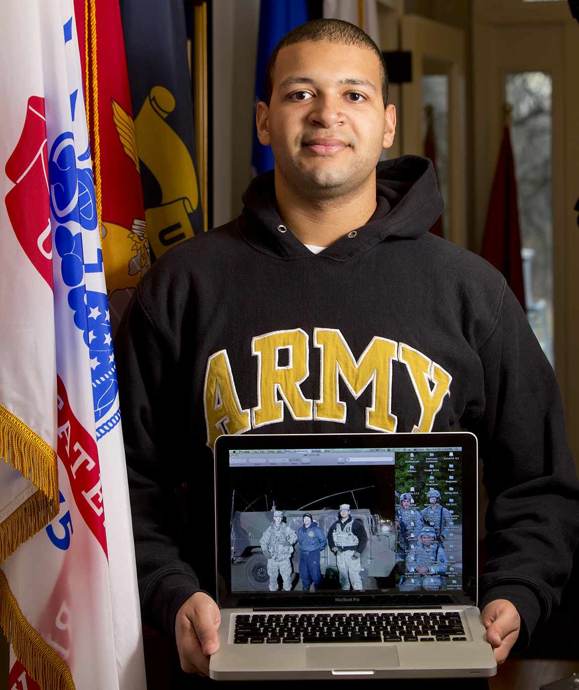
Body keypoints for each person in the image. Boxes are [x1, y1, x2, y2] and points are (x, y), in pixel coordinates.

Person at [114, 18, 579, 680]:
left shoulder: (471, 291)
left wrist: (515, 592)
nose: (326, 113)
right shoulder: (185, 284)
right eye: (300, 93)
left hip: (423, 641)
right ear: (263, 120)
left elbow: (539, 484)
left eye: (353, 95)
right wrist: (170, 591)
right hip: (233, 637)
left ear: (388, 124)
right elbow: (128, 480)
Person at [327, 504, 368, 591]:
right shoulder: (336, 524)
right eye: (342, 511)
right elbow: (330, 536)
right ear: (340, 512)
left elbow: (364, 538)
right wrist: (333, 548)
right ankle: (345, 595)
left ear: (349, 512)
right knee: (343, 576)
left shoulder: (356, 524)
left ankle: (358, 594)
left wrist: (358, 552)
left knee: (354, 576)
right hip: (340, 554)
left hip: (352, 554)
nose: (343, 512)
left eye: (345, 511)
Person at [259, 510, 297, 591]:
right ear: (274, 518)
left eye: (280, 517)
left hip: (284, 559)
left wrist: (288, 542)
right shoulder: (270, 530)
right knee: (272, 581)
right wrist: (265, 551)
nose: (278, 519)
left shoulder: (286, 528)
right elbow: (263, 541)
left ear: (281, 518)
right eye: (277, 517)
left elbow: (294, 537)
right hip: (273, 560)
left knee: (287, 580)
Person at [401, 526, 448, 592]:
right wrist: (416, 568)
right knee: (406, 588)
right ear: (421, 538)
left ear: (433, 538)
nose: (426, 539)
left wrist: (428, 568)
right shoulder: (415, 549)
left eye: (429, 537)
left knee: (428, 584)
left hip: (432, 576)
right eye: (424, 537)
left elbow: (443, 566)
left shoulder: (439, 550)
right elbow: (409, 561)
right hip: (417, 575)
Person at [296, 513, 327, 591]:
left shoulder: (316, 529)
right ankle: (306, 587)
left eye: (308, 518)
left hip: (313, 554)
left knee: (315, 573)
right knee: (304, 572)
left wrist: (316, 549)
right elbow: (300, 541)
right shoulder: (300, 530)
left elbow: (323, 541)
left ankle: (318, 588)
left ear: (311, 519)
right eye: (305, 518)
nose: (306, 520)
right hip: (303, 554)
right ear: (303, 520)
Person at [397, 492, 423, 560]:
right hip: (400, 542)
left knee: (411, 560)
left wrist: (413, 535)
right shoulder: (398, 513)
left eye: (408, 501)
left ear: (410, 502)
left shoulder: (415, 513)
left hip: (412, 542)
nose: (406, 503)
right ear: (401, 502)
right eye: (404, 501)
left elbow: (419, 527)